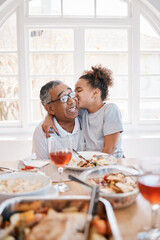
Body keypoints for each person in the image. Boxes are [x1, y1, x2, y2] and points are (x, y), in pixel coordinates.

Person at [43, 65, 123, 157]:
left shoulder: (110, 110)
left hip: (109, 162)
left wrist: (95, 166)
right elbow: (63, 111)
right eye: (74, 92)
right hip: (92, 162)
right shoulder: (83, 112)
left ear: (95, 93)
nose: (74, 96)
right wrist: (48, 117)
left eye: (79, 91)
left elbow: (110, 148)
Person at [32, 80, 82, 159]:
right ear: (50, 109)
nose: (72, 101)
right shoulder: (42, 132)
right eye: (63, 98)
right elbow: (43, 167)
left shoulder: (85, 117)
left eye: (71, 94)